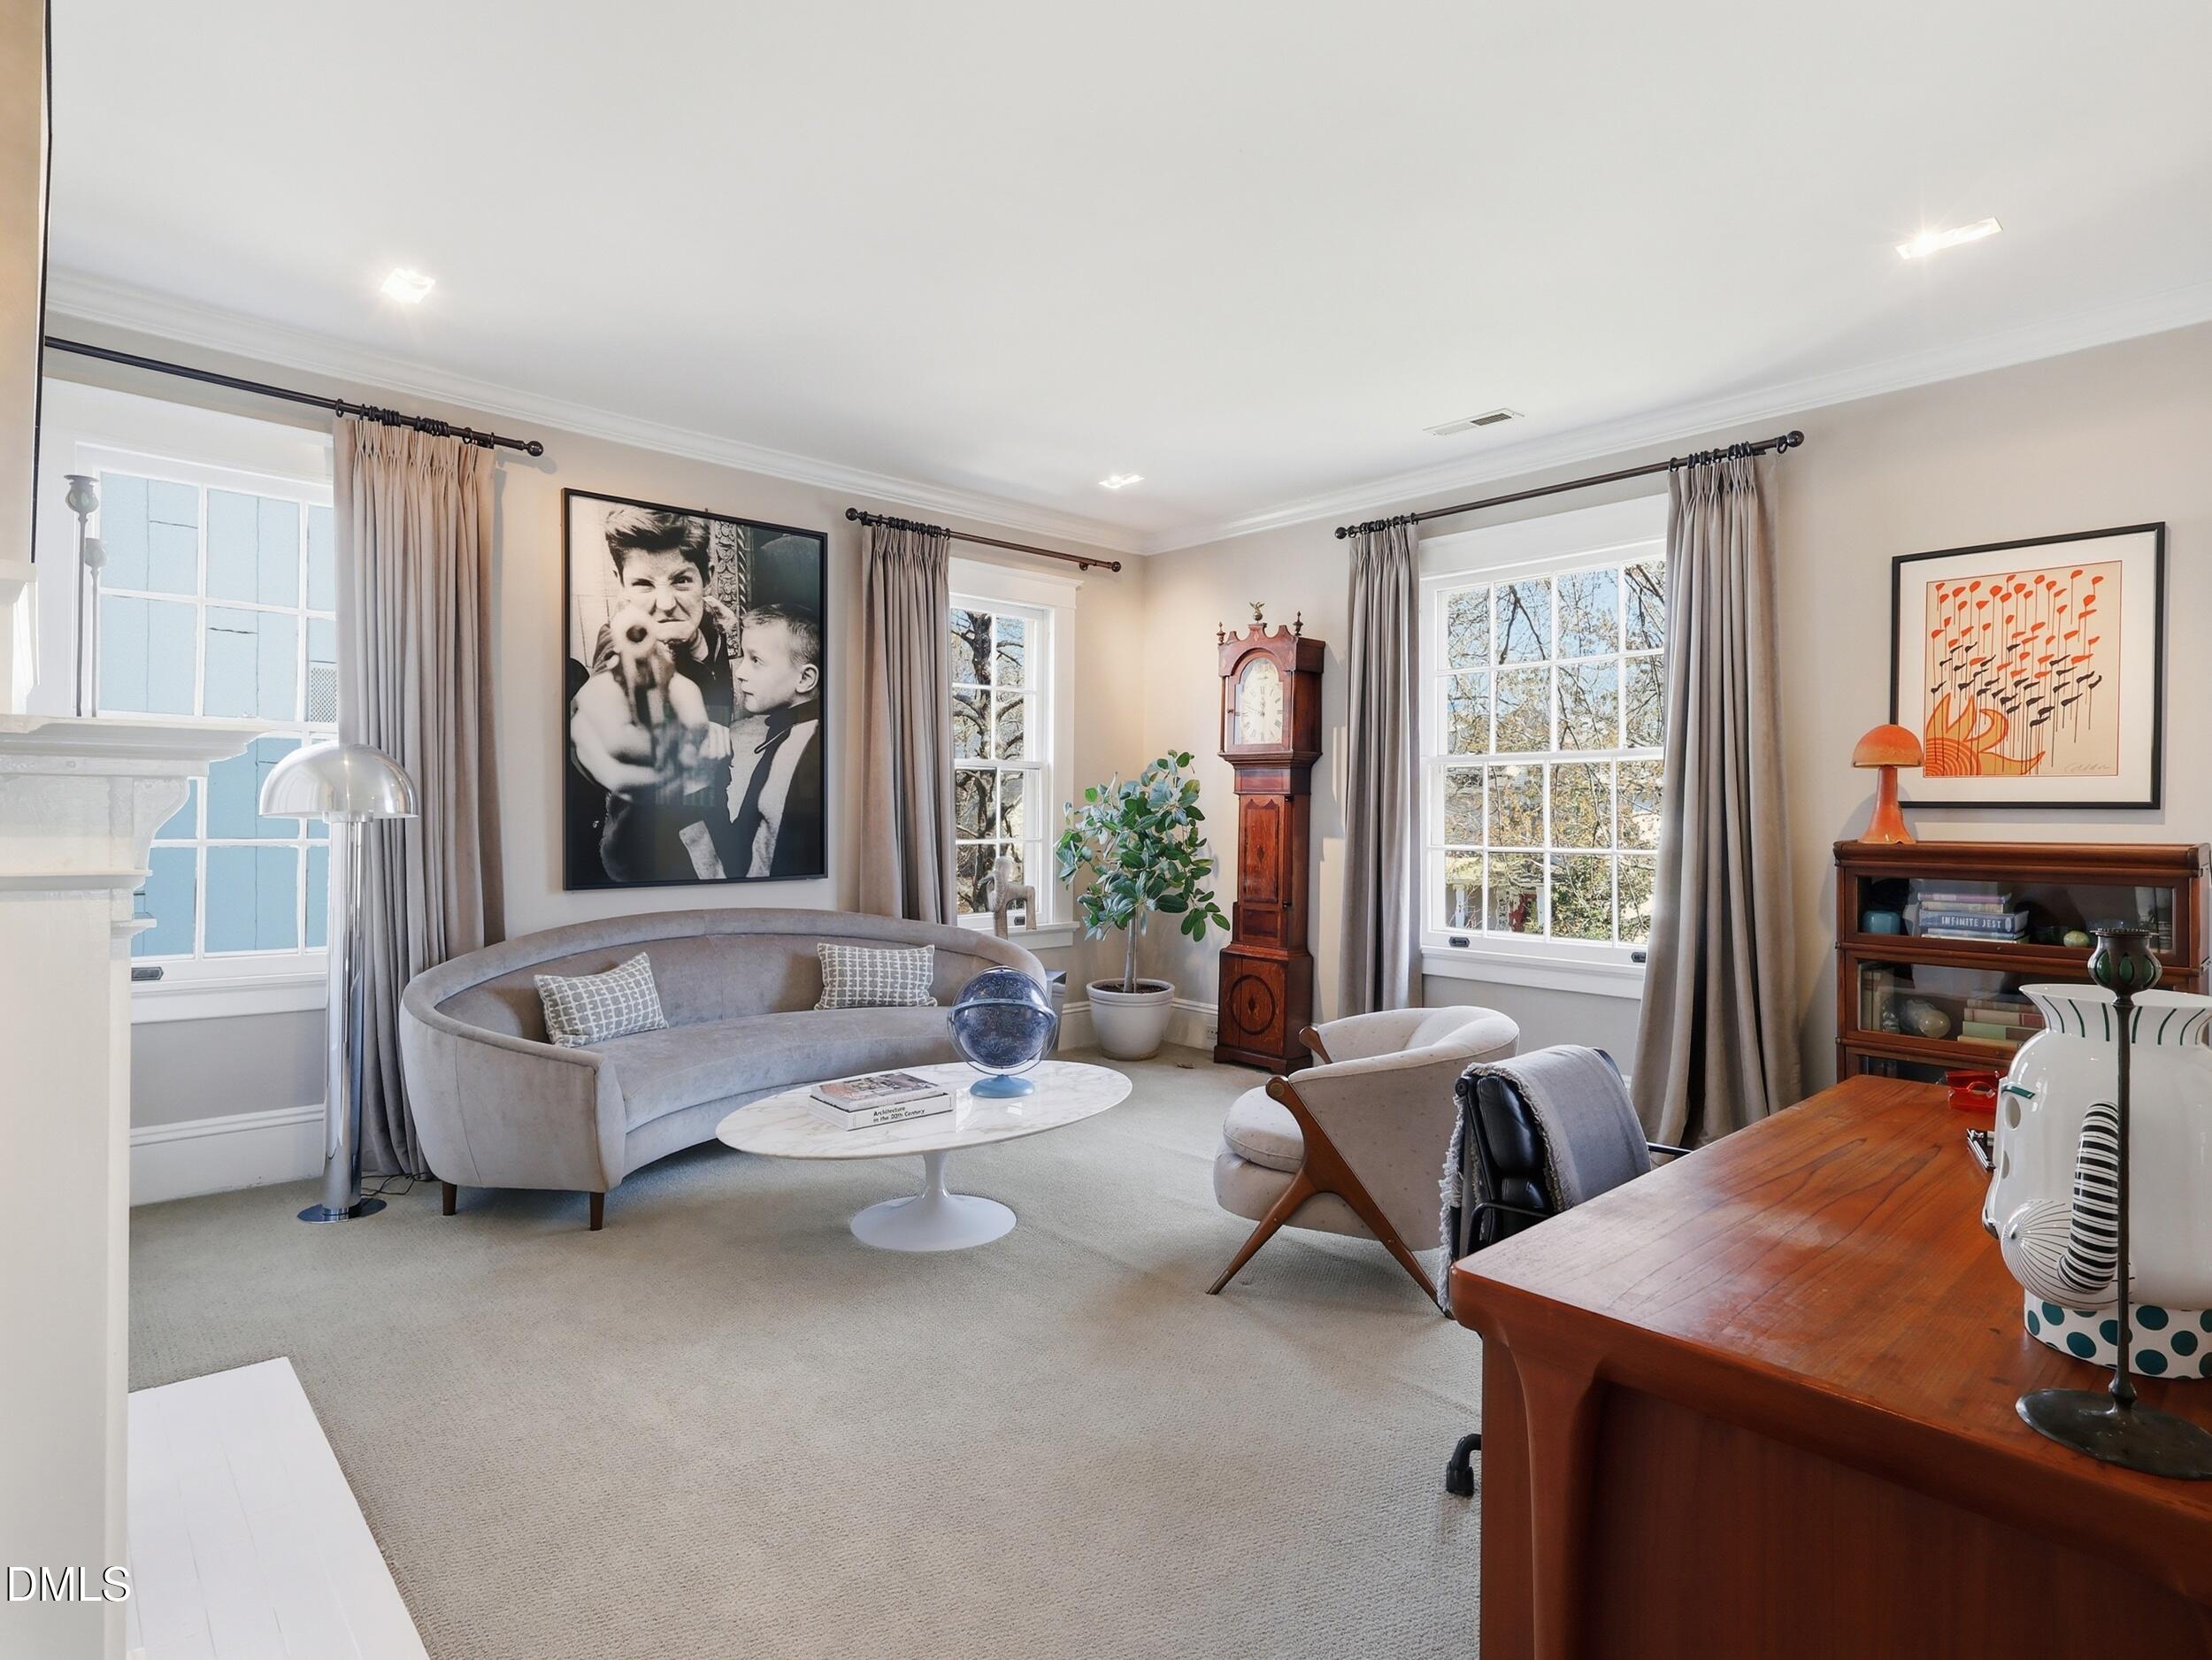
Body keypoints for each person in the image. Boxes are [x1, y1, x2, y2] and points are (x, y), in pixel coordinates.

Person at [567, 508, 739, 883]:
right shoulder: (618, 645)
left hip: (715, 817)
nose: (663, 603)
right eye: (643, 584)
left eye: (681, 580)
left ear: (707, 576)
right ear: (620, 583)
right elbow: (604, 694)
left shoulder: (710, 625)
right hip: (649, 853)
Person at [725, 601, 825, 879]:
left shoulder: (812, 752)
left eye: (755, 660)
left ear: (805, 679)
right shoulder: (785, 733)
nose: (740, 672)